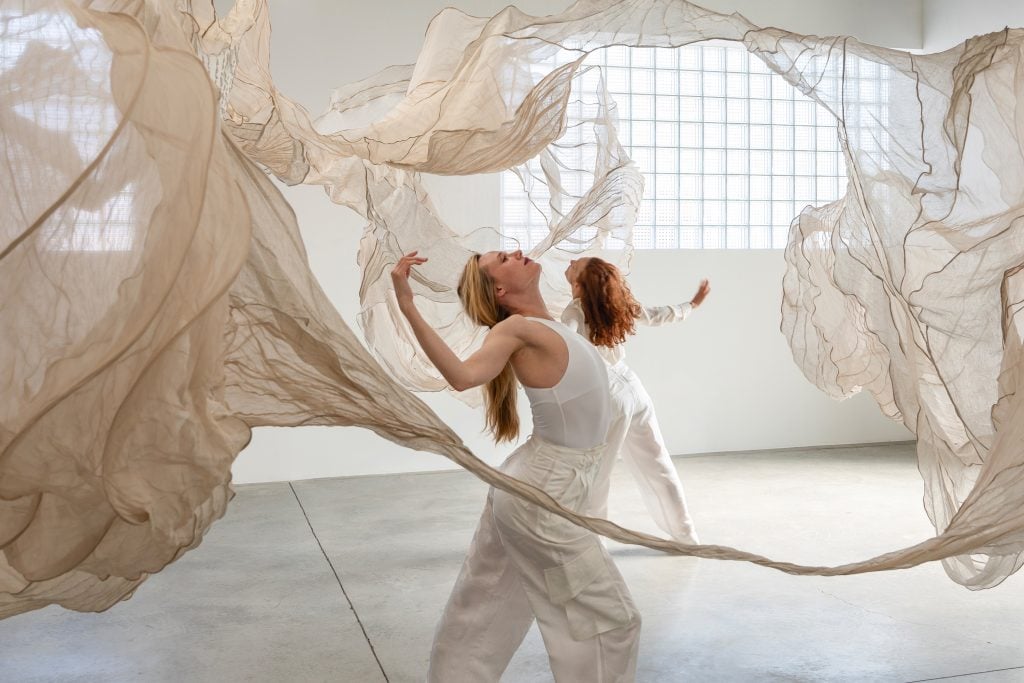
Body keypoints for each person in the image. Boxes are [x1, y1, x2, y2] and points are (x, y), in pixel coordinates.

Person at [391, 249, 641, 682]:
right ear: (501, 290)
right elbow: (464, 377)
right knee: (609, 624)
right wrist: (407, 305)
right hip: (542, 499)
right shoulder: (516, 330)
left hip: (533, 488)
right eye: (503, 258)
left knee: (484, 609)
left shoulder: (551, 325)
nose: (519, 252)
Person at [562, 256, 710, 545]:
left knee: (597, 472)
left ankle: (592, 542)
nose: (570, 260)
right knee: (657, 463)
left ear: (578, 283)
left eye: (575, 264)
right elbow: (657, 315)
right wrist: (691, 305)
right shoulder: (617, 305)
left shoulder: (574, 310)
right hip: (632, 389)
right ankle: (686, 535)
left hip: (606, 397)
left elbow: (560, 342)